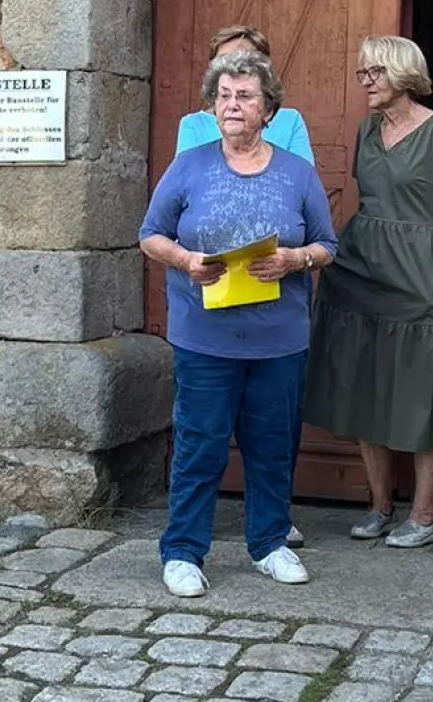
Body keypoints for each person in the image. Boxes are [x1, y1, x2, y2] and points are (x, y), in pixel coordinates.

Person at [139, 49, 337, 597]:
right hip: (205, 336)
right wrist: (185, 260)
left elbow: (328, 244)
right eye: (224, 96)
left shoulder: (296, 173)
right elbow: (151, 233)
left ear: (268, 109)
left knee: (272, 445)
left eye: (245, 96)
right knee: (200, 444)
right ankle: (182, 552)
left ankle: (270, 543)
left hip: (278, 338)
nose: (233, 105)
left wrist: (296, 260)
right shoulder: (189, 165)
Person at [303, 36, 433, 548]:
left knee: (423, 395)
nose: (366, 81)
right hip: (359, 272)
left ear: (403, 73)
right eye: (362, 73)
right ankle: (379, 505)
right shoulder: (365, 128)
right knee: (364, 387)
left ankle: (424, 515)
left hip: (417, 276)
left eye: (375, 71)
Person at [175, 25, 315, 165]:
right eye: (223, 61)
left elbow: (302, 179)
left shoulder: (290, 121)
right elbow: (184, 180)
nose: (233, 68)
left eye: (245, 61)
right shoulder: (193, 125)